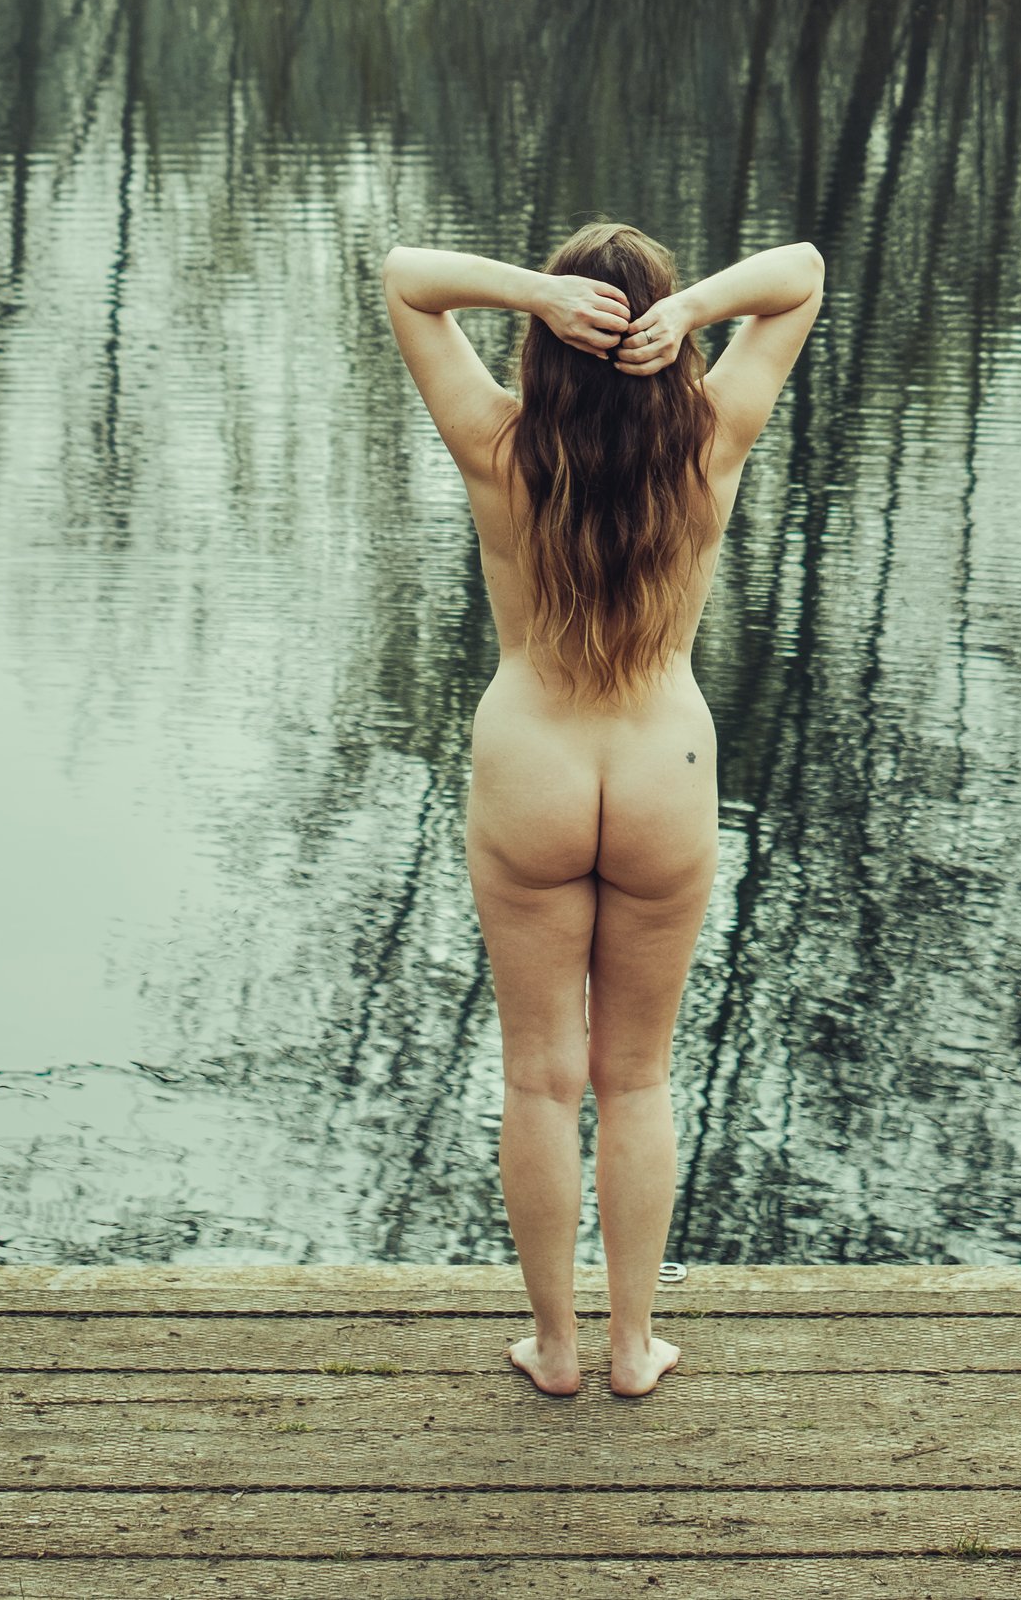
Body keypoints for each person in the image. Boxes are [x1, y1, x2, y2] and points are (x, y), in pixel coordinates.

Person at [378, 221, 826, 1401]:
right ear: (664, 342)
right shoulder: (713, 437)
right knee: (637, 1078)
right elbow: (802, 274)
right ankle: (633, 1348)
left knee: (539, 1077)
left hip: (531, 766)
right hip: (661, 771)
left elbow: (407, 282)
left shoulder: (496, 442)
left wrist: (533, 290)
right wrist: (695, 315)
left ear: (549, 341)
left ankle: (556, 1350)